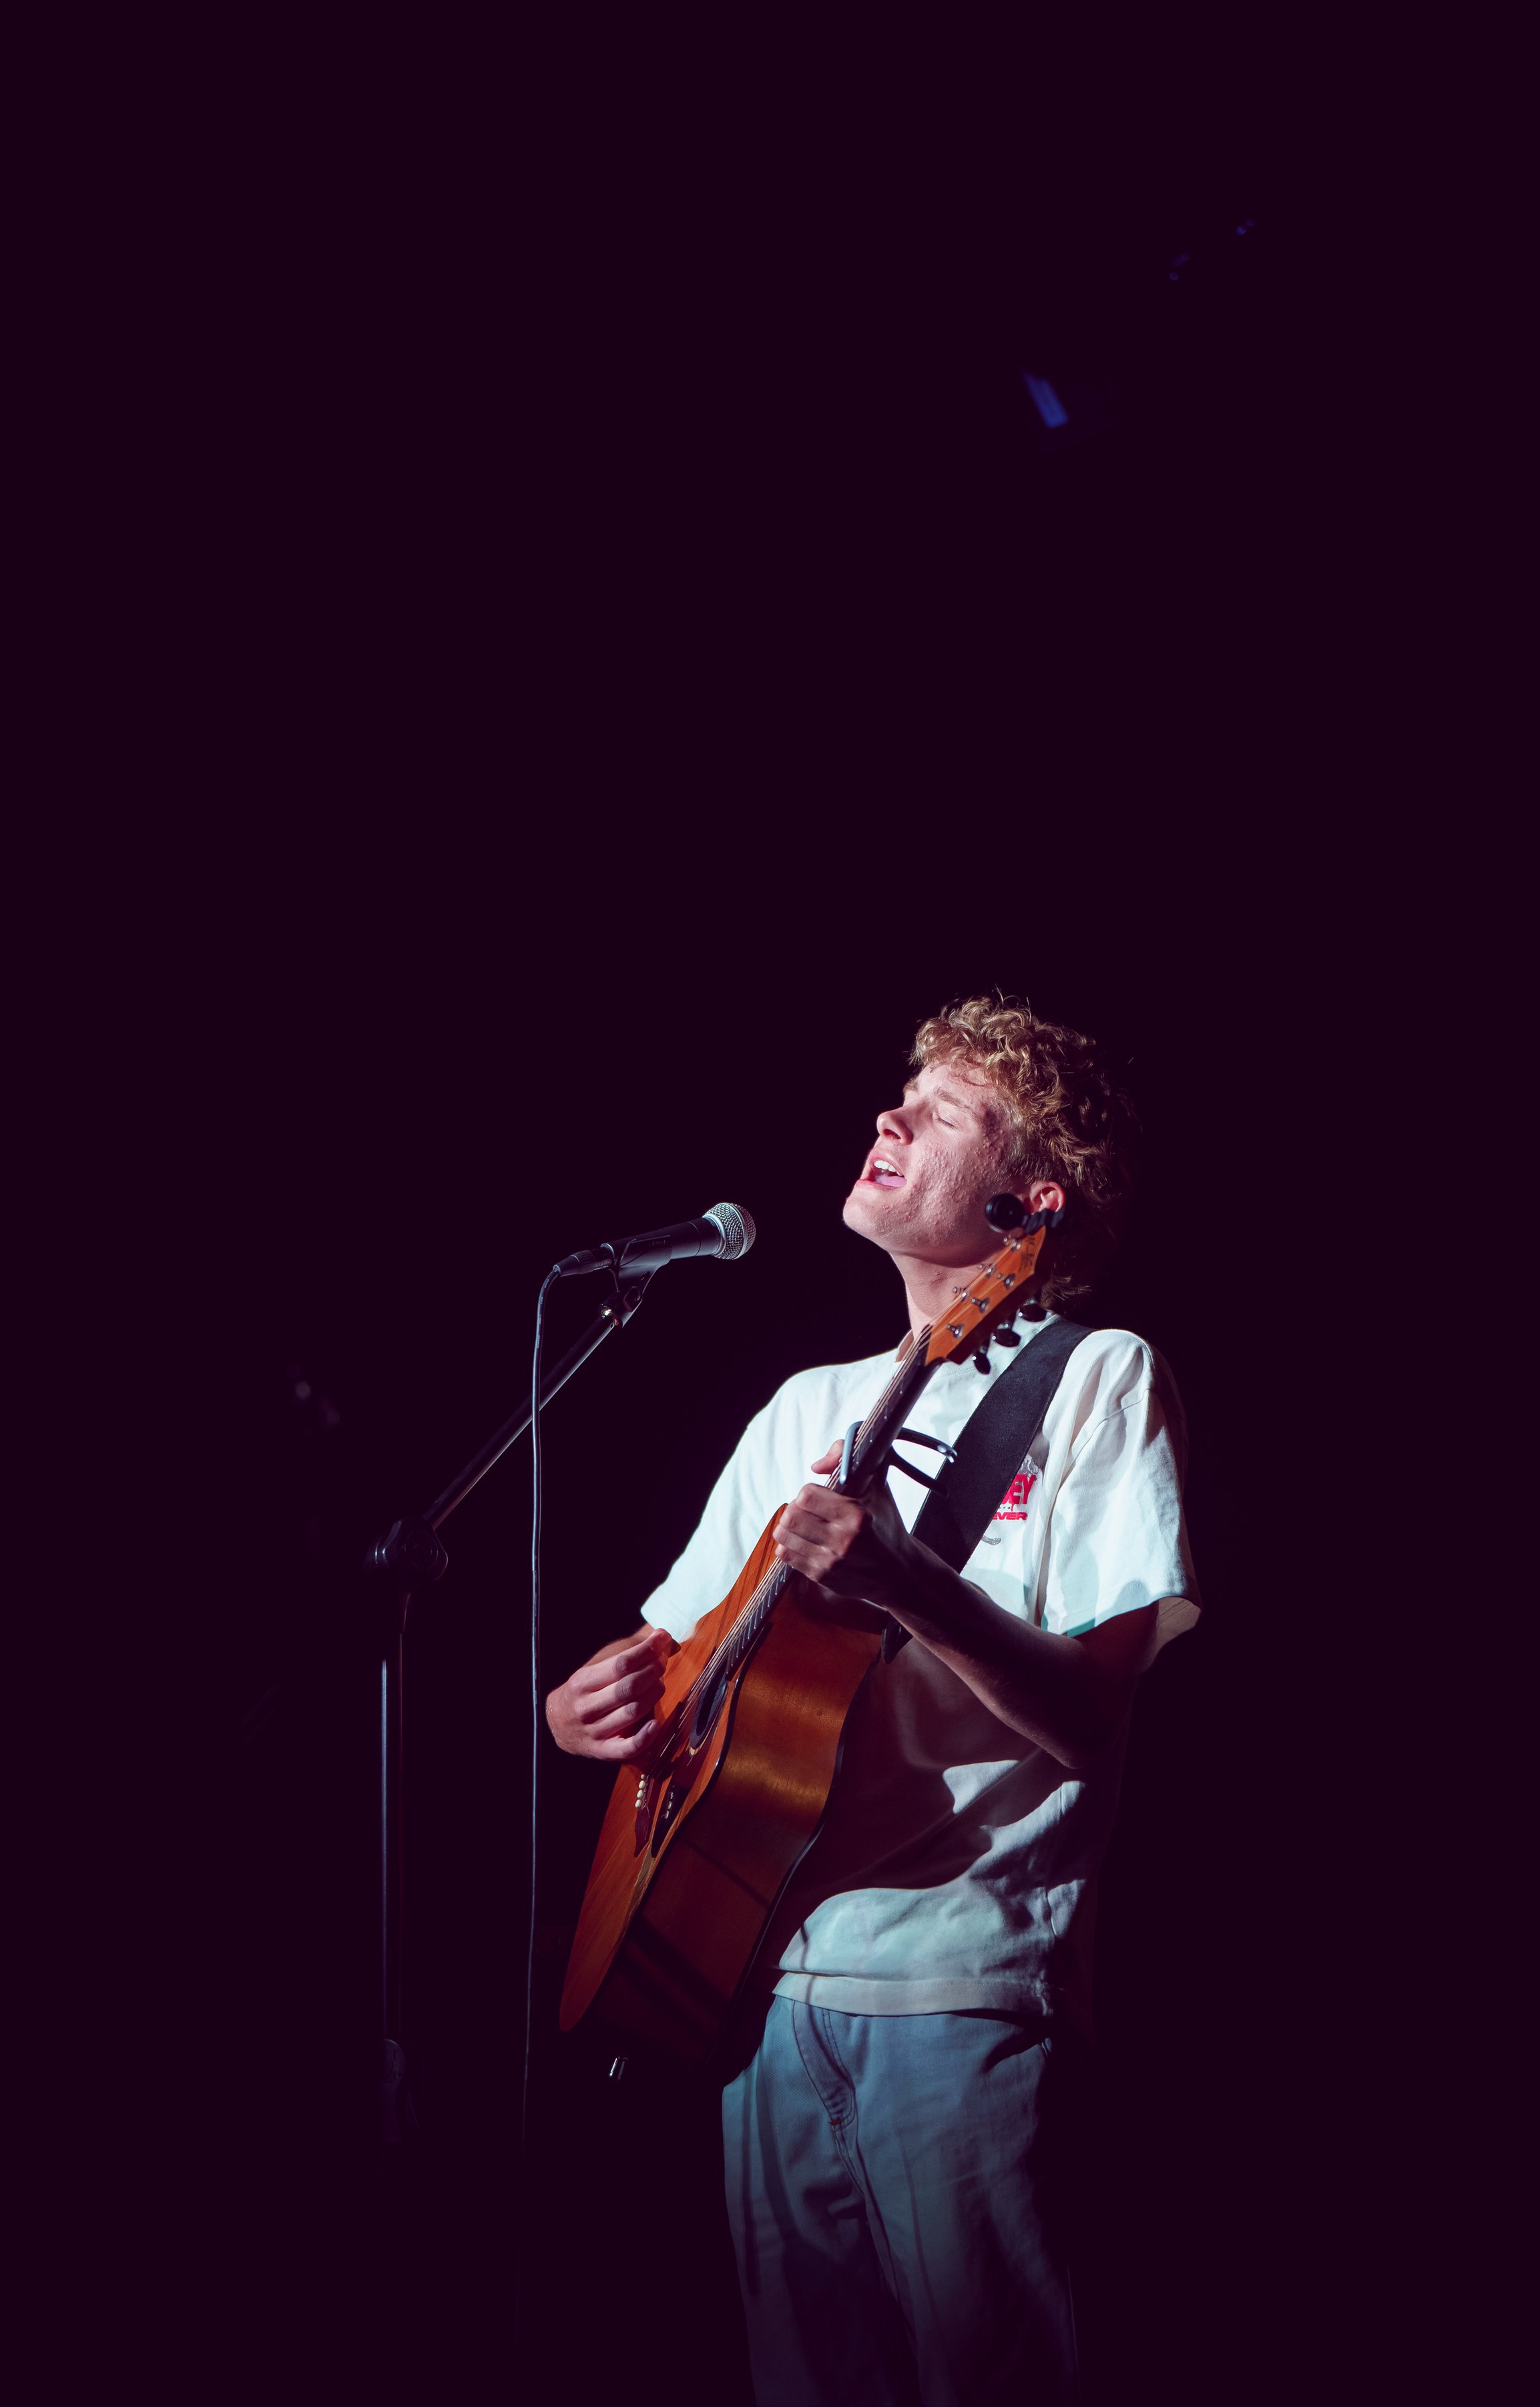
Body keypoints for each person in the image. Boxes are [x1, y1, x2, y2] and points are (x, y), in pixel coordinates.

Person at [546, 995, 1198, 2407]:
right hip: (758, 1984)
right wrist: (585, 1712)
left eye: (943, 1107)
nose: (888, 1117)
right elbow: (679, 1659)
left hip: (962, 1988)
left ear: (1030, 1202)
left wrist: (907, 1580)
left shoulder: (1094, 1378)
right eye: (897, 1091)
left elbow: (1086, 1718)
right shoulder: (801, 1405)